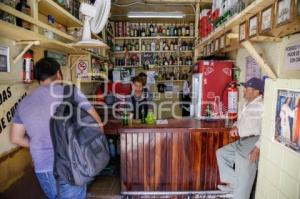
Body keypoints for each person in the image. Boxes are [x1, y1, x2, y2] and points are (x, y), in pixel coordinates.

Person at [10, 58, 103, 199]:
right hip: (72, 164)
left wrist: (38, 144)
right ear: (59, 74)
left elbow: (15, 138)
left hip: (43, 168)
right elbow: (97, 123)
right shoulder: (71, 93)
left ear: (38, 78)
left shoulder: (24, 103)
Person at [216, 77, 264, 199]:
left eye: (247, 89)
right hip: (242, 141)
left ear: (257, 92)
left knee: (244, 179)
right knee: (222, 153)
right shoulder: (248, 104)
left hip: (252, 142)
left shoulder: (262, 106)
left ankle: (238, 189)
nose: (244, 91)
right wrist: (235, 127)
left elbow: (268, 129)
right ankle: (234, 183)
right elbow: (241, 121)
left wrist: (258, 148)